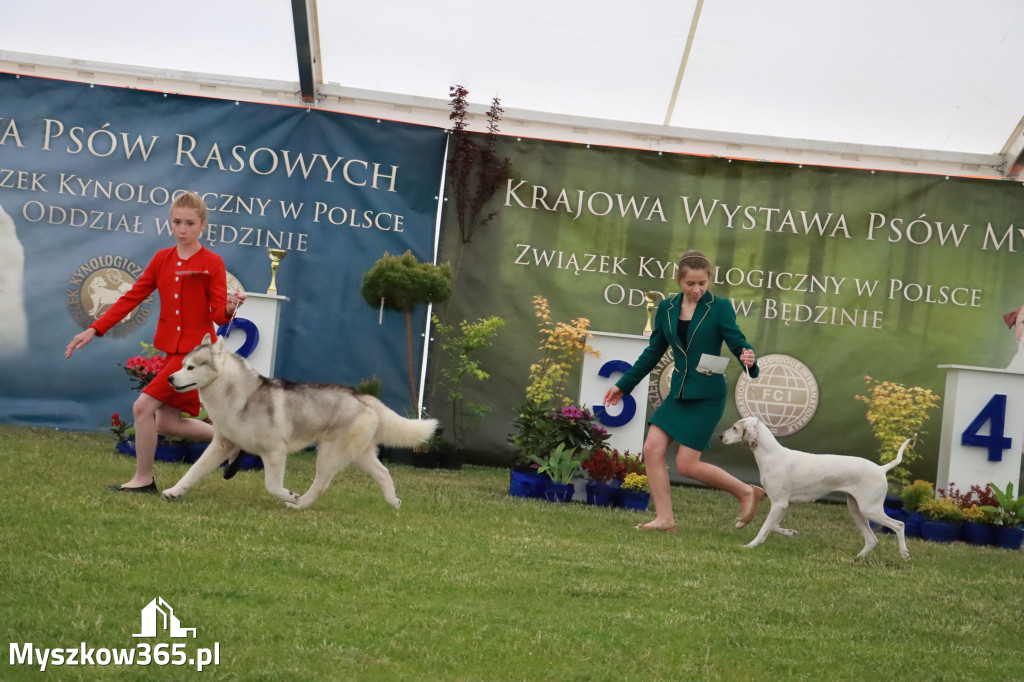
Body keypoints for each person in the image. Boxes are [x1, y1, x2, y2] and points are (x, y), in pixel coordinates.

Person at [65, 191, 246, 493]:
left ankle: (143, 479)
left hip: (194, 353)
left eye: (189, 223)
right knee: (166, 423)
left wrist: (230, 307)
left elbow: (218, 314)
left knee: (141, 408)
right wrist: (94, 329)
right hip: (170, 350)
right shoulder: (162, 259)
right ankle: (232, 439)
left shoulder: (213, 262)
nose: (182, 229)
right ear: (170, 223)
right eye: (177, 222)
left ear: (203, 225)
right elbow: (132, 298)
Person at [603, 249, 762, 532]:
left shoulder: (720, 307)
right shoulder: (666, 308)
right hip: (678, 395)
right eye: (691, 284)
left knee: (687, 465)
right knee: (651, 449)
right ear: (679, 280)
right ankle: (665, 519)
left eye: (702, 283)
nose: (697, 289)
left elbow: (738, 342)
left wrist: (747, 358)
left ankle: (746, 492)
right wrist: (623, 385)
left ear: (708, 280)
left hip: (708, 396)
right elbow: (653, 353)